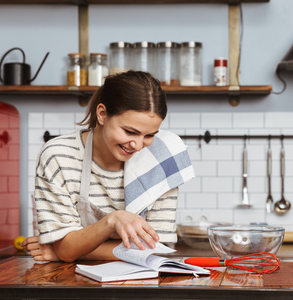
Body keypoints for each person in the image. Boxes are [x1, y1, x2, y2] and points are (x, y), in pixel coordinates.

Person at [23, 71, 193, 263]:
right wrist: (113, 220)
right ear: (102, 114)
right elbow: (66, 248)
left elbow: (154, 250)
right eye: (130, 131)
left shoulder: (163, 157)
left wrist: (69, 251)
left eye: (149, 135)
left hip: (137, 283)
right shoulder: (58, 156)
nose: (137, 146)